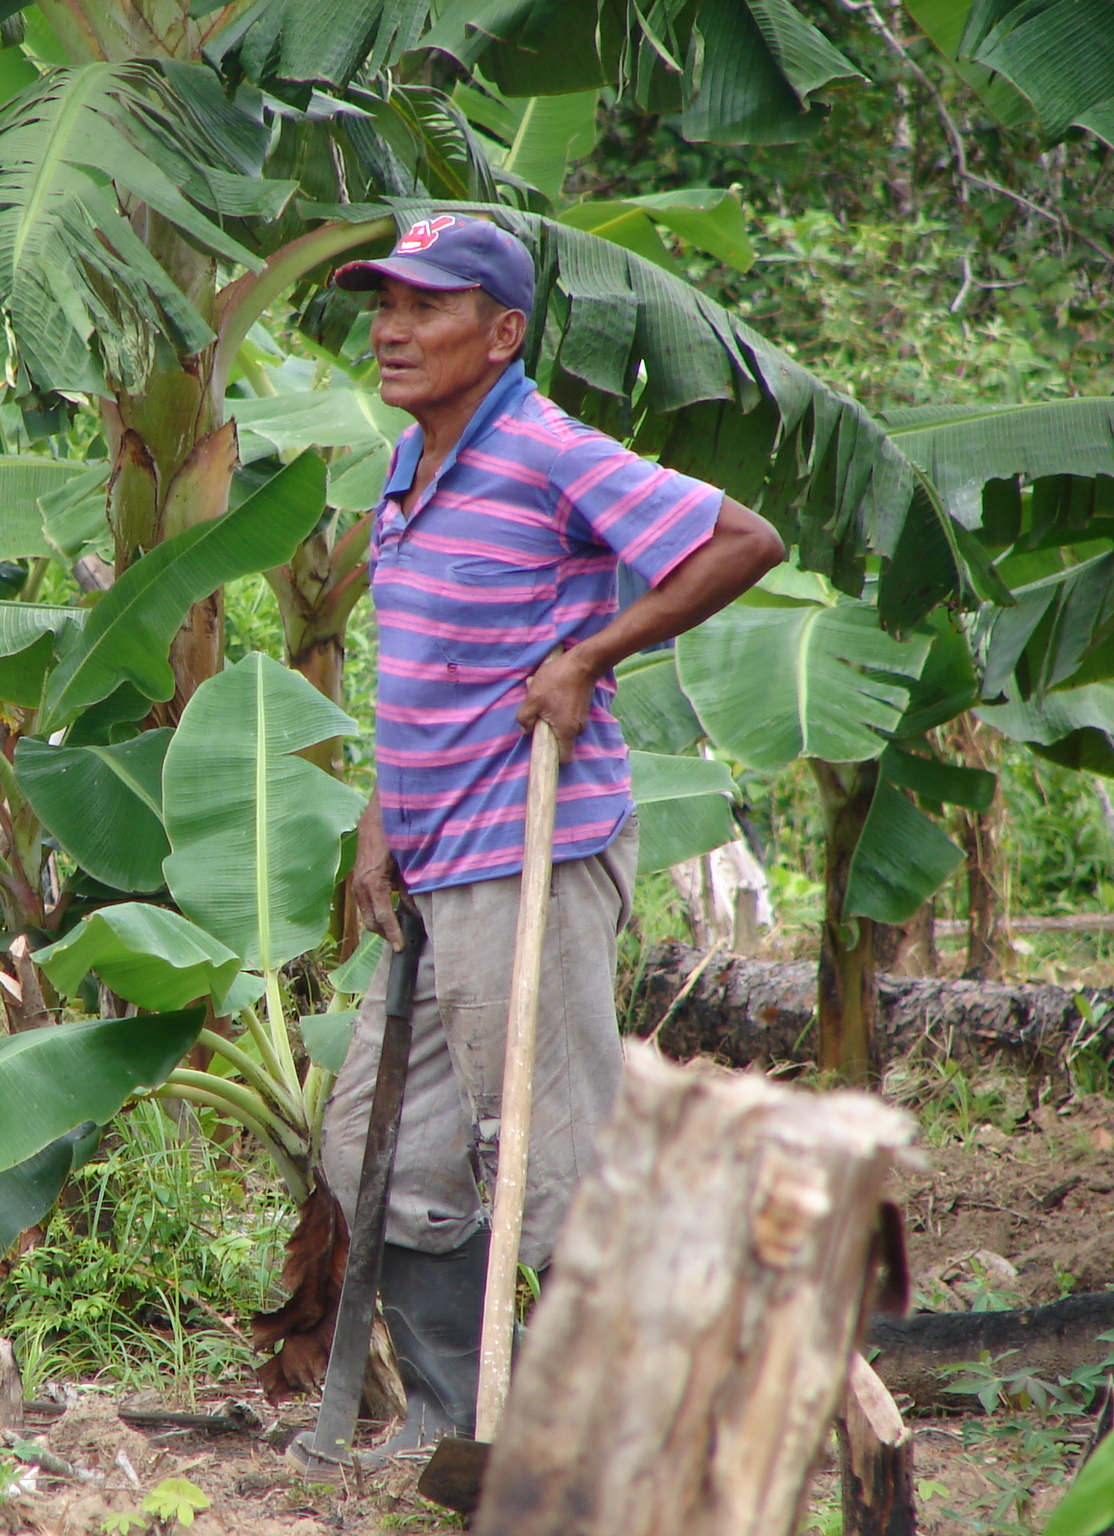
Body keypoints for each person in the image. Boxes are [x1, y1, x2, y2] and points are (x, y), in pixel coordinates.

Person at [320, 216, 785, 1456]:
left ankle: (632, 1439)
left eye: (426, 308)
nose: (392, 330)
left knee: (555, 1158)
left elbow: (741, 540)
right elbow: (422, 665)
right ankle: (457, 1428)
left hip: (528, 852)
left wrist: (588, 654)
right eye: (384, 306)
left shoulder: (543, 447)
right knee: (386, 1149)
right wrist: (379, 814)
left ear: (503, 332)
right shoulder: (409, 465)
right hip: (434, 854)